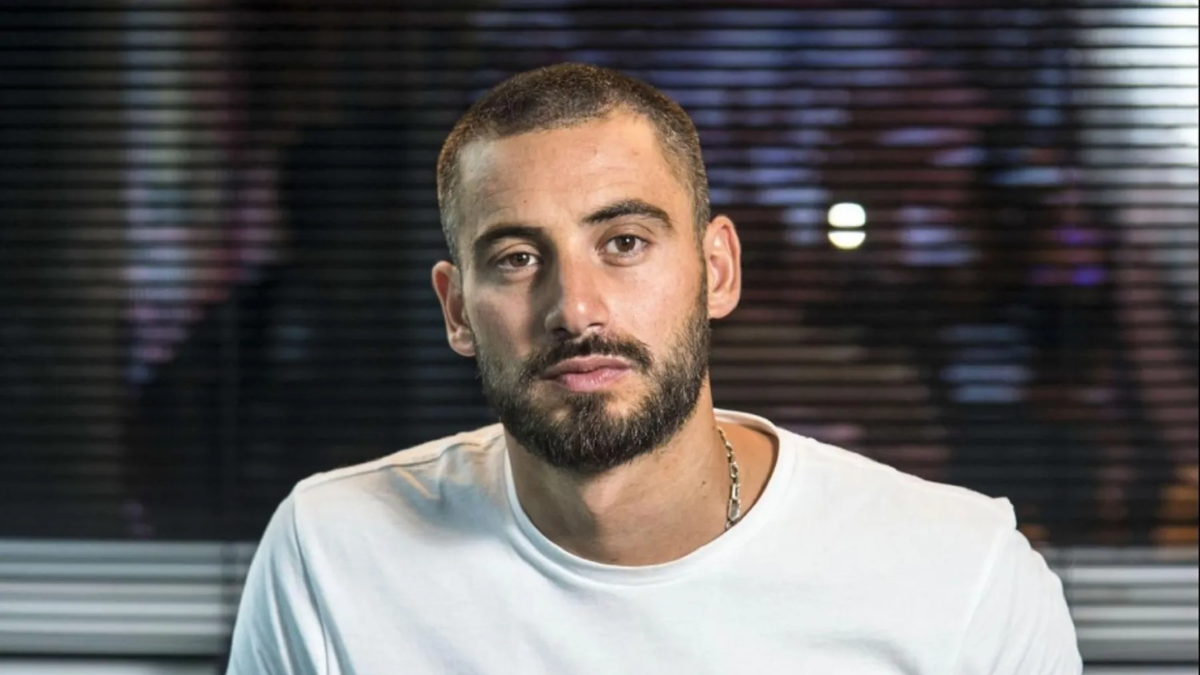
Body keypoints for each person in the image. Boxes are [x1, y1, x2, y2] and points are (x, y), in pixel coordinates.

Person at [226, 63, 1083, 674]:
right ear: (456, 310)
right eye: (518, 257)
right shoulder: (331, 553)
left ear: (717, 269)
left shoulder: (960, 576)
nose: (576, 308)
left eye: (625, 242)